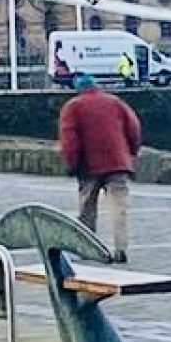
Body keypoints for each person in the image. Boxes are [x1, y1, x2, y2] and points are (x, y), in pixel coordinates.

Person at [58, 72, 142, 263]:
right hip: (117, 163)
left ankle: (87, 248)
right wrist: (131, 152)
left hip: (89, 166)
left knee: (87, 210)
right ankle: (120, 248)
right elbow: (134, 128)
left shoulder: (73, 107)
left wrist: (72, 163)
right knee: (118, 208)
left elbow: (69, 139)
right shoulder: (115, 102)